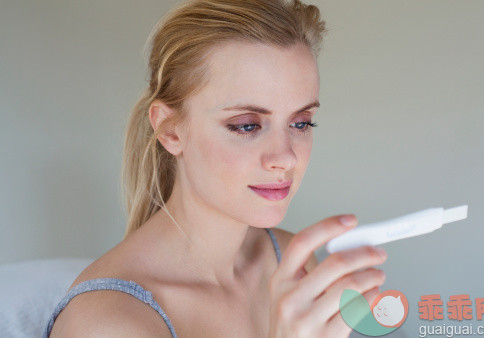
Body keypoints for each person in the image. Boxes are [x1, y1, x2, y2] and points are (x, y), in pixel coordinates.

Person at [44, 0, 388, 337]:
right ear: (171, 130)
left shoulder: (291, 264)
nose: (285, 158)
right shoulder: (106, 324)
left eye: (301, 123)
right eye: (247, 125)